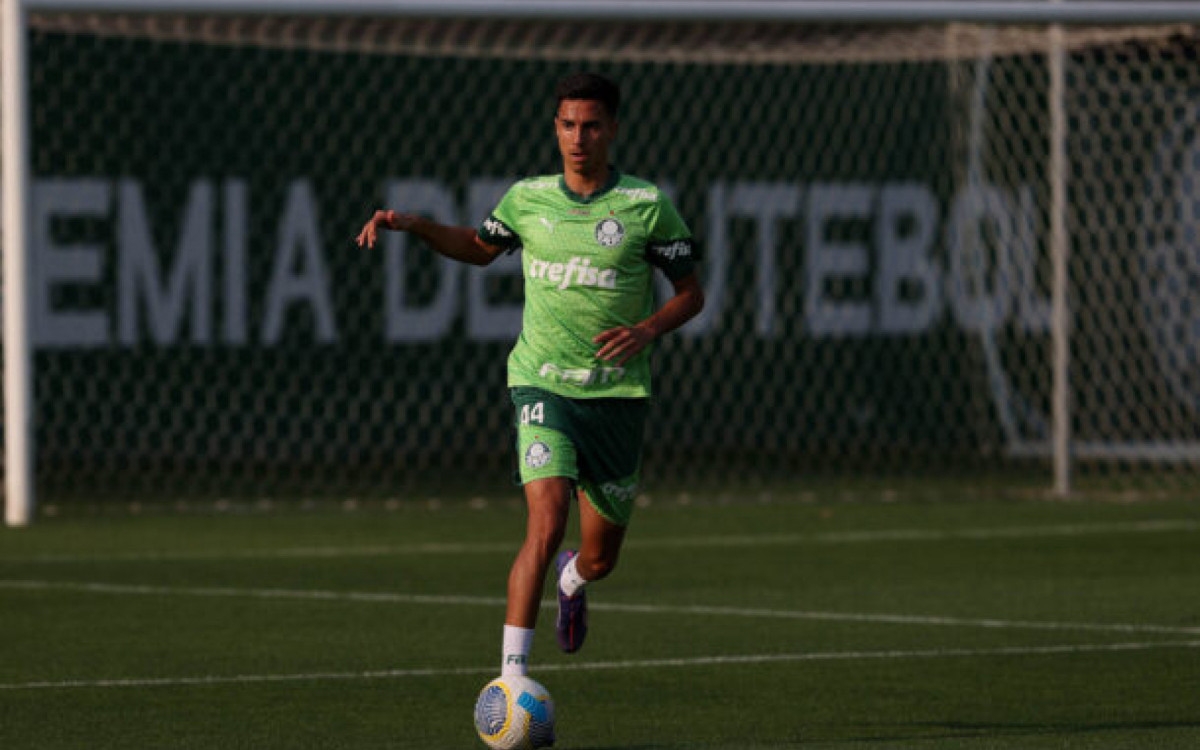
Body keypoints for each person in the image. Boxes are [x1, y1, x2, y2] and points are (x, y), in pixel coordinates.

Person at [356, 72, 704, 676]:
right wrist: (415, 226)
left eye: (591, 125)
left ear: (612, 130)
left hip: (617, 397)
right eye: (568, 124)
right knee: (544, 521)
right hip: (541, 385)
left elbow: (691, 294)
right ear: (555, 128)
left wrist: (648, 329)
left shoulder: (647, 206)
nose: (579, 137)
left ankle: (574, 579)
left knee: (600, 559)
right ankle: (511, 680)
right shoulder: (527, 199)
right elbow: (477, 246)